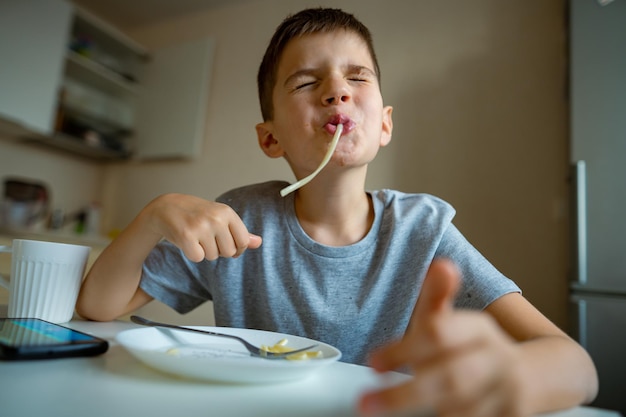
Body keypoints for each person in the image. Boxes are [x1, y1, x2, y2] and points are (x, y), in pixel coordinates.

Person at [76, 7, 598, 417]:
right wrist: (154, 215)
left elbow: (577, 367)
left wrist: (513, 379)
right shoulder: (240, 219)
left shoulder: (423, 230)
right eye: (306, 83)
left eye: (357, 77)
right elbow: (100, 307)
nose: (337, 91)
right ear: (270, 137)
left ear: (385, 124)